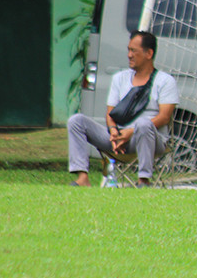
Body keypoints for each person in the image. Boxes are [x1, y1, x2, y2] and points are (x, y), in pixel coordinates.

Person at [67, 31, 179, 187]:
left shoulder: (165, 81)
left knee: (144, 124)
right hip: (118, 139)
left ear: (149, 53)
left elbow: (165, 117)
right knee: (76, 121)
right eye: (128, 50)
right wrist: (114, 132)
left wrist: (130, 132)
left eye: (134, 51)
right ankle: (82, 178)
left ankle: (143, 180)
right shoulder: (119, 78)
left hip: (151, 139)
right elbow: (110, 114)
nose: (129, 55)